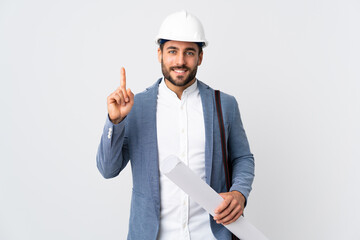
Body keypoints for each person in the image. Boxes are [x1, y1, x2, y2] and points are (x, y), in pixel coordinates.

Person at [96, 10, 254, 240]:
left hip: (211, 235)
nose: (180, 61)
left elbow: (242, 158)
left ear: (200, 57)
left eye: (189, 52)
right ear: (159, 54)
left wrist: (239, 193)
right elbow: (107, 170)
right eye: (172, 51)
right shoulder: (135, 107)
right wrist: (115, 121)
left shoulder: (224, 105)